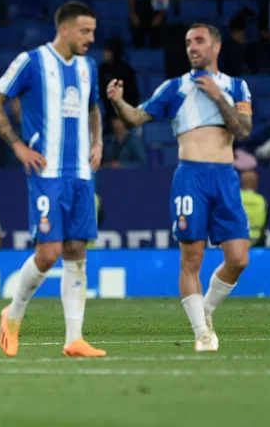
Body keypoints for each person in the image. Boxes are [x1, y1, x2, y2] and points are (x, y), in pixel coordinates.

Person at [106, 23, 252, 352]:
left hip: (225, 177)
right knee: (192, 258)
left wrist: (217, 97)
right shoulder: (175, 88)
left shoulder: (236, 87)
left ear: (215, 46)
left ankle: (207, 309)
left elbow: (243, 131)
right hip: (191, 177)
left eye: (199, 41)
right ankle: (202, 333)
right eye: (188, 42)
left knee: (239, 259)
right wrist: (118, 102)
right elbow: (136, 118)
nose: (192, 47)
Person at [0, 1, 106, 358]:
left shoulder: (88, 67)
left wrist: (97, 141)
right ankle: (13, 313)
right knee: (49, 253)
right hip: (46, 173)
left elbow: (94, 106)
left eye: (93, 31)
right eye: (85, 31)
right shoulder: (32, 61)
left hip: (81, 173)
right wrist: (18, 146)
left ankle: (74, 339)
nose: (90, 38)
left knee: (76, 251)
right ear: (64, 29)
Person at [238, 169, 267, 246]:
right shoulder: (261, 200)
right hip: (257, 240)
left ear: (241, 182)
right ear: (256, 183)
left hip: (235, 239)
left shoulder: (234, 198)